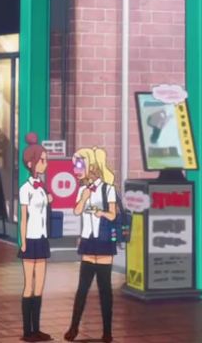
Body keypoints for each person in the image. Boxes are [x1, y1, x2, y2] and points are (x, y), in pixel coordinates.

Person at [65, 147, 117, 343]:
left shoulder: (108, 189)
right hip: (88, 241)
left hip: (103, 242)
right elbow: (77, 211)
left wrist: (100, 213)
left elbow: (113, 215)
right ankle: (74, 327)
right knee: (82, 289)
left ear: (91, 165)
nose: (76, 169)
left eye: (79, 165)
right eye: (75, 165)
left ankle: (107, 332)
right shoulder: (82, 190)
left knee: (105, 290)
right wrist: (85, 197)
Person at [18, 133, 53, 342]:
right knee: (29, 286)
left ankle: (37, 329)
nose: (45, 164)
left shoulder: (42, 188)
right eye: (42, 160)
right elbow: (23, 218)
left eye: (45, 160)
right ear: (31, 163)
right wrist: (22, 242)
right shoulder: (26, 189)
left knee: (39, 286)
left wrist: (49, 199)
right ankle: (27, 331)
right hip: (30, 239)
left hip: (42, 237)